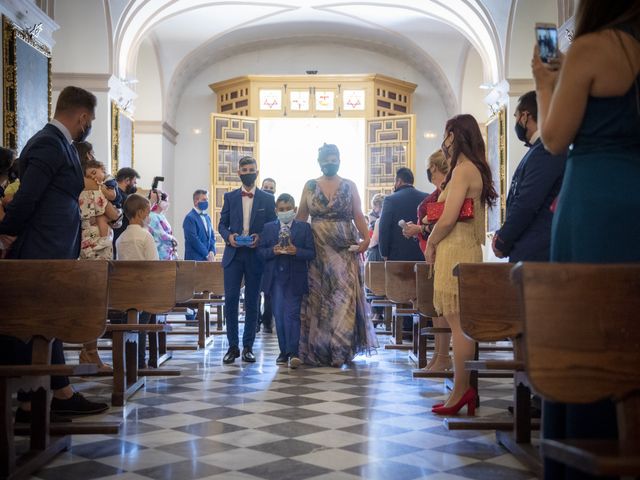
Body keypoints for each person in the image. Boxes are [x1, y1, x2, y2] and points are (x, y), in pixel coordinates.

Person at [532, 2, 640, 479]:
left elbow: (554, 138)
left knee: (587, 323)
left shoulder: (594, 48)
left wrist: (543, 79)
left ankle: (586, 443)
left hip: (594, 200)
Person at [0, 85, 108, 420]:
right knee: (38, 322)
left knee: (49, 320)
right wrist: (6, 233)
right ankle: (36, 398)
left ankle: (57, 393)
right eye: (89, 121)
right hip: (40, 249)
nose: (88, 126)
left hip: (51, 249)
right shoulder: (50, 141)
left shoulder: (59, 142)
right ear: (83, 116)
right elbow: (28, 197)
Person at [426, 114, 497, 416]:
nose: (445, 142)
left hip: (456, 251)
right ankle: (460, 389)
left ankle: (461, 390)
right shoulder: (469, 168)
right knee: (458, 325)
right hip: (458, 249)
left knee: (458, 326)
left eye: (448, 135)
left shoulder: (464, 170)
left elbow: (449, 216)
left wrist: (430, 243)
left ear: (458, 135)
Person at [296, 143, 378, 367]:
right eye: (326, 160)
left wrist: (366, 239)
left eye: (334, 159)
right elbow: (301, 217)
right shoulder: (310, 186)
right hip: (317, 251)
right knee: (318, 298)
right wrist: (289, 241)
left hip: (344, 249)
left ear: (339, 160)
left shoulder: (349, 185)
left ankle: (340, 349)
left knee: (343, 298)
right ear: (319, 162)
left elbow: (358, 214)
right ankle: (319, 349)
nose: (330, 163)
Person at [492, 91, 566, 262]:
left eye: (516, 116)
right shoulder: (537, 150)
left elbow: (527, 202)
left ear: (525, 116)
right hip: (530, 248)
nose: (516, 121)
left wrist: (503, 239)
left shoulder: (546, 150)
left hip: (538, 251)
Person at [218, 156, 277, 364]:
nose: (248, 172)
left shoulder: (267, 199)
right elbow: (222, 224)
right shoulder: (230, 197)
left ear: (257, 172)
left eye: (252, 169)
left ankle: (248, 347)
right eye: (244, 169)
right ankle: (232, 347)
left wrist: (260, 238)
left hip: (255, 255)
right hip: (233, 255)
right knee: (231, 301)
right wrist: (229, 237)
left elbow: (272, 226)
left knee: (253, 302)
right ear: (239, 173)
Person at [403, 150, 452, 372]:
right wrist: (421, 227)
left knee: (442, 309)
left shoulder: (449, 189)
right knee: (436, 308)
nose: (429, 173)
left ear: (435, 167)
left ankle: (443, 357)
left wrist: (420, 227)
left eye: (431, 168)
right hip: (433, 252)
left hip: (443, 250)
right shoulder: (440, 190)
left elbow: (443, 219)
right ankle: (438, 356)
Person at [258, 193, 315, 368]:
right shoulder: (268, 228)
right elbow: (260, 252)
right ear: (276, 211)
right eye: (281, 209)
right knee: (279, 316)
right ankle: (283, 351)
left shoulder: (304, 228)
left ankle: (294, 352)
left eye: (288, 209)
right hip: (275, 280)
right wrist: (272, 251)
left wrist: (296, 251)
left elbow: (311, 253)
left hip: (295, 278)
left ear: (295, 209)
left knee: (292, 315)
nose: (284, 212)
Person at [116, 194, 159, 368]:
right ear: (140, 213)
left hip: (125, 293)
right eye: (148, 212)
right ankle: (139, 362)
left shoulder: (120, 238)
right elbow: (154, 266)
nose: (150, 216)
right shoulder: (145, 236)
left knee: (131, 323)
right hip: (145, 292)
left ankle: (129, 361)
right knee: (142, 324)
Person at [378, 167, 427, 261]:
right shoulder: (426, 197)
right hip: (422, 254)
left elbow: (384, 228)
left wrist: (384, 253)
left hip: (397, 256)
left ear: (399, 181)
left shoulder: (390, 200)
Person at [257, 177, 277, 333]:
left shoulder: (277, 209)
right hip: (255, 252)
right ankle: (256, 319)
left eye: (271, 188)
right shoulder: (256, 205)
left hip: (271, 255)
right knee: (255, 290)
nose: (268, 190)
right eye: (266, 187)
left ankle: (268, 320)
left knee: (269, 291)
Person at [112, 167, 140, 257]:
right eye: (134, 182)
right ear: (127, 180)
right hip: (118, 236)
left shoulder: (118, 194)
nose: (135, 185)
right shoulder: (120, 196)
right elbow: (136, 215)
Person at [183, 189, 216, 261]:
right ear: (196, 202)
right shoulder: (190, 218)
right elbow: (193, 239)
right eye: (204, 200)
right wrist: (207, 254)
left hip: (207, 260)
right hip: (194, 260)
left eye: (207, 200)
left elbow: (212, 237)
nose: (206, 202)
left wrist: (212, 251)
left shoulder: (207, 217)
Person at [148, 189, 178, 260]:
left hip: (168, 250)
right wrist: (172, 238)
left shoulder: (162, 216)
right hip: (159, 250)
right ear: (159, 201)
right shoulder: (152, 216)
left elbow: (168, 231)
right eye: (165, 200)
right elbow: (160, 234)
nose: (167, 203)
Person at [365, 193, 384, 262]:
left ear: (378, 205)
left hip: (377, 253)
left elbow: (375, 240)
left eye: (374, 207)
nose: (373, 210)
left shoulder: (379, 220)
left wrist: (368, 247)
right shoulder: (391, 217)